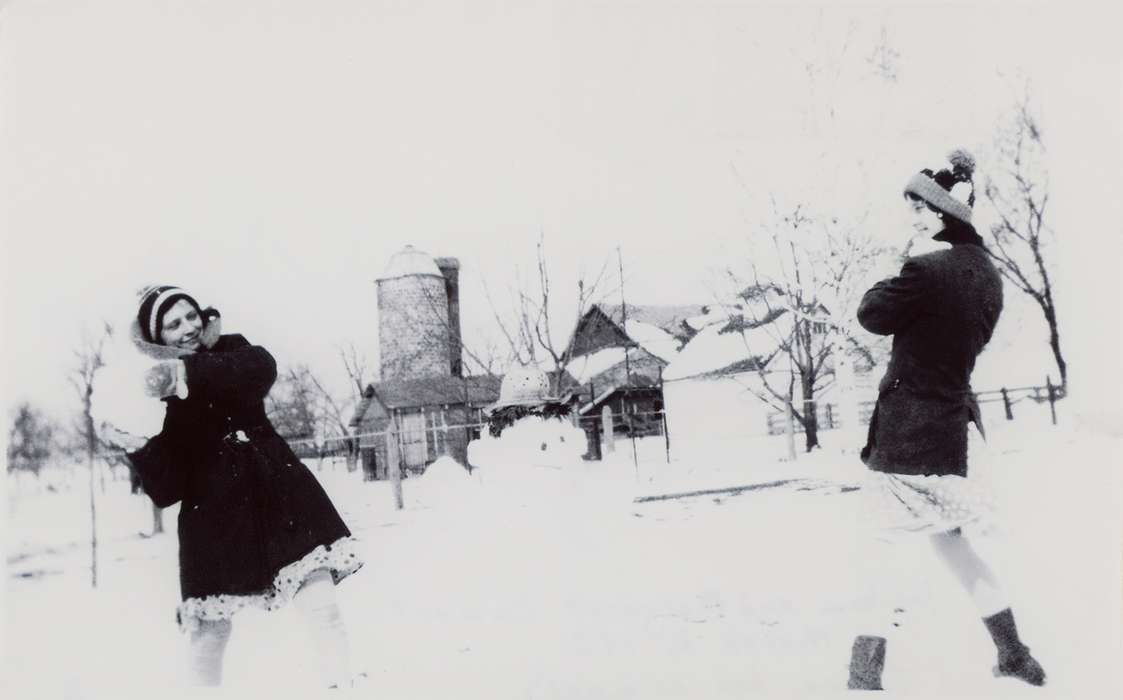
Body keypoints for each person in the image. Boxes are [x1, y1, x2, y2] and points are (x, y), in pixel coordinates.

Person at [848, 150, 1047, 690]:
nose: (912, 219)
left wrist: (897, 264)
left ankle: (863, 681)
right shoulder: (989, 275)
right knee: (954, 546)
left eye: (920, 210)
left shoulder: (924, 270)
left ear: (945, 215)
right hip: (956, 438)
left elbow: (870, 315)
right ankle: (1014, 654)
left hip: (908, 440)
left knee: (881, 555)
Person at [110, 285, 363, 688]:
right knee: (210, 633)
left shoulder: (232, 349)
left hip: (279, 494)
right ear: (157, 339)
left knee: (322, 603)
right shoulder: (155, 399)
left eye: (191, 315)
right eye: (173, 324)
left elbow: (261, 368)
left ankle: (344, 689)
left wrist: (183, 374)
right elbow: (166, 489)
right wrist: (135, 445)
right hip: (212, 518)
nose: (188, 327)